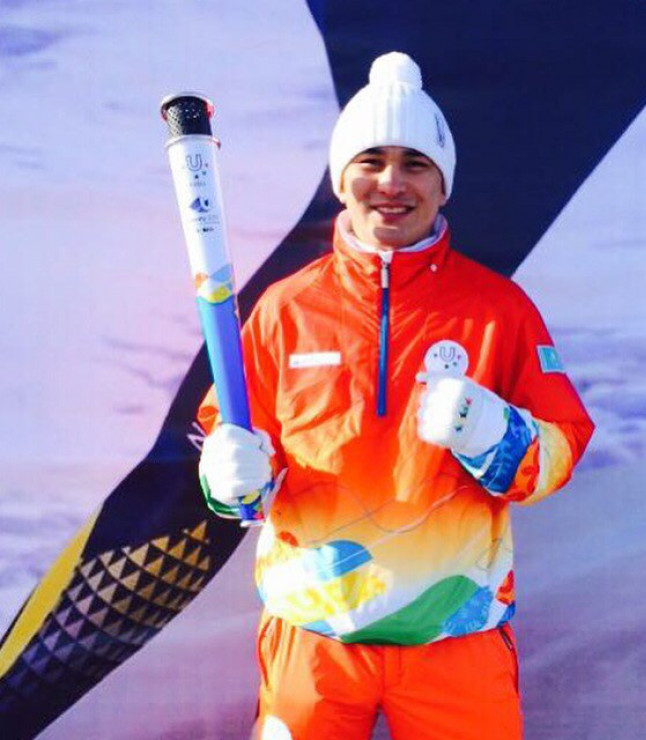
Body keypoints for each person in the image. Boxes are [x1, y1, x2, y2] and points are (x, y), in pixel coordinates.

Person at [197, 51, 594, 740]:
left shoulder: (498, 310)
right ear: (340, 179)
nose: (391, 182)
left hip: (456, 635)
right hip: (314, 639)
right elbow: (237, 457)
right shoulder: (286, 309)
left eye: (415, 164)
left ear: (443, 186)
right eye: (371, 161)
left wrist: (496, 436)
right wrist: (228, 476)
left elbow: (561, 448)